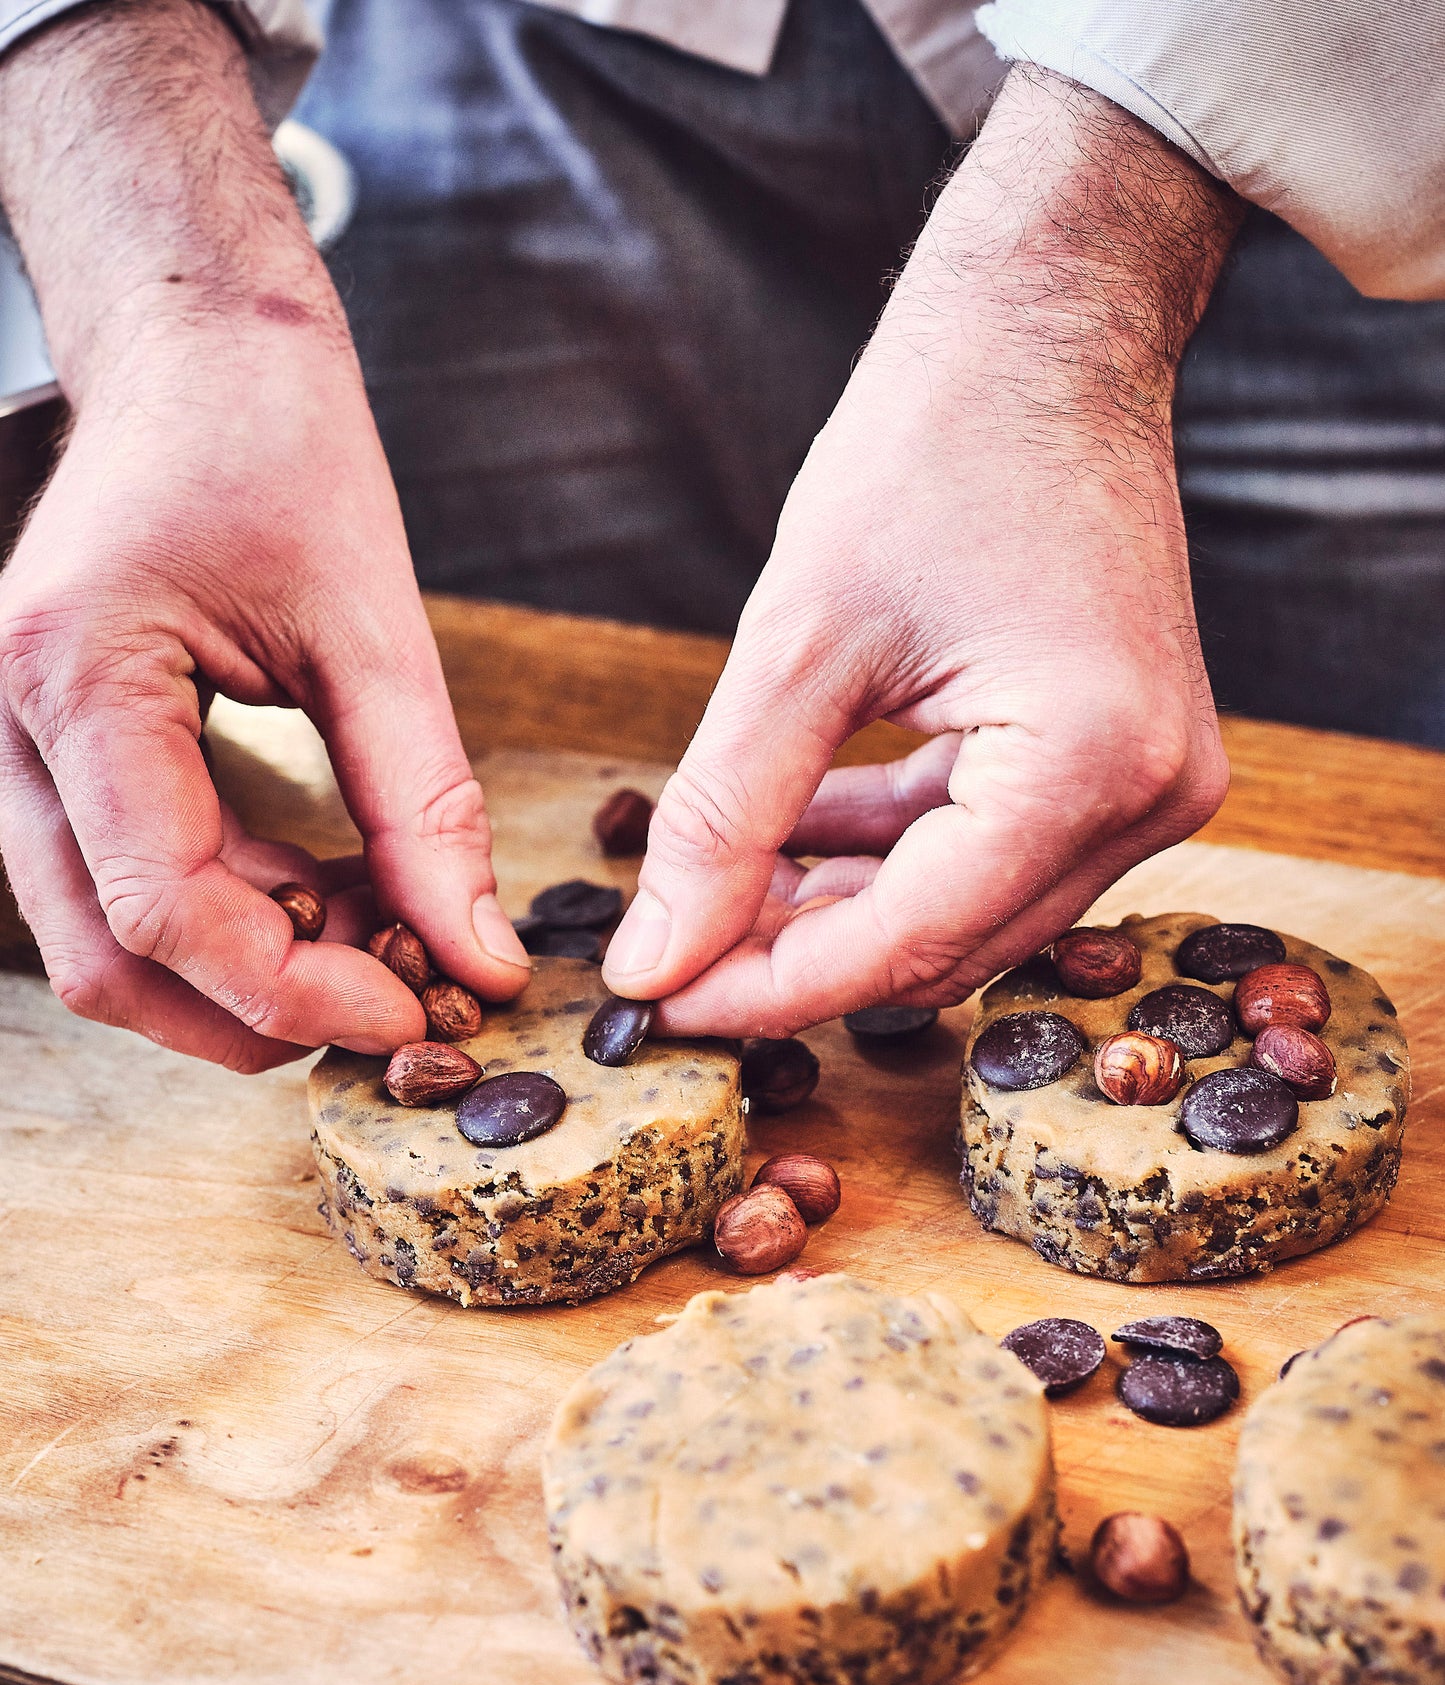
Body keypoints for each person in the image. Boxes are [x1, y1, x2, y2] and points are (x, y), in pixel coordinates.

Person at [0, 0, 1437, 1073]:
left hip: (1326, 95)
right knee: (574, 734)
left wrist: (1085, 260)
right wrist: (166, 292)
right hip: (510, 52)